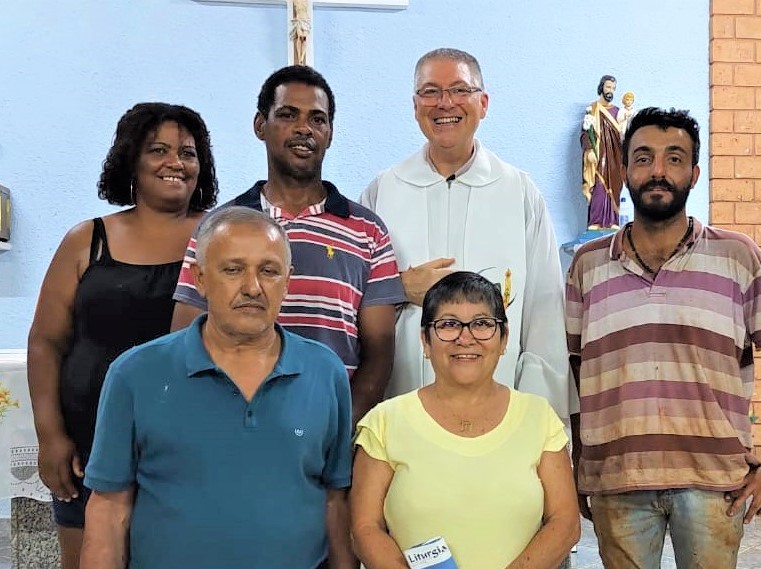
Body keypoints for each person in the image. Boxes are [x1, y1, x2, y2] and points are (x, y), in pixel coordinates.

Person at [566, 107, 761, 569]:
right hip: (618, 475)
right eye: (643, 158)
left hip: (714, 479)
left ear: (694, 174)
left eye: (674, 159)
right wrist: (579, 462)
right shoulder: (587, 266)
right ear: (624, 171)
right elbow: (577, 369)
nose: (658, 171)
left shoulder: (738, 256)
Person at [81, 207, 355, 569]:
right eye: (233, 269)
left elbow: (335, 499)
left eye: (269, 271)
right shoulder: (135, 374)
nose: (252, 287)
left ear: (287, 282)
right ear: (200, 278)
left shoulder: (325, 372)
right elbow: (109, 507)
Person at [27, 102, 218, 569]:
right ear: (131, 158)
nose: (176, 162)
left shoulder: (218, 237)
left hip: (183, 445)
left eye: (188, 153)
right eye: (159, 150)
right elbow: (45, 342)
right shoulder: (85, 239)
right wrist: (50, 436)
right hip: (87, 443)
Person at [172, 65, 405, 425]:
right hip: (228, 424)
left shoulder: (368, 231)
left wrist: (343, 428)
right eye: (287, 115)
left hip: (328, 429)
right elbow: (185, 339)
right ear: (260, 125)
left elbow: (379, 352)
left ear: (329, 134)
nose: (303, 129)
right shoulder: (218, 227)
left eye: (317, 119)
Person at [360, 48, 573, 421]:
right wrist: (400, 288)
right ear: (415, 106)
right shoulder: (382, 192)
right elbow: (354, 301)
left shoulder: (519, 193)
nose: (445, 103)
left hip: (501, 420)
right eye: (430, 92)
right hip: (401, 415)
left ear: (483, 103)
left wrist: (540, 428)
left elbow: (544, 317)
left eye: (460, 89)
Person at [351, 271, 580, 569]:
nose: (465, 337)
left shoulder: (538, 417)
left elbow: (565, 523)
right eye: (448, 324)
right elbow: (364, 529)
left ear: (503, 338)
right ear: (425, 340)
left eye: (482, 324)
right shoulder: (384, 422)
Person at [581, 74, 623, 229]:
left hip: (615, 157)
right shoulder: (592, 110)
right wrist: (589, 149)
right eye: (608, 87)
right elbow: (586, 132)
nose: (610, 90)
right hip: (598, 156)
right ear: (601, 88)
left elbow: (623, 135)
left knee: (615, 187)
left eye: (613, 88)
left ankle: (613, 220)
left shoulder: (618, 112)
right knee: (599, 185)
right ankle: (596, 221)